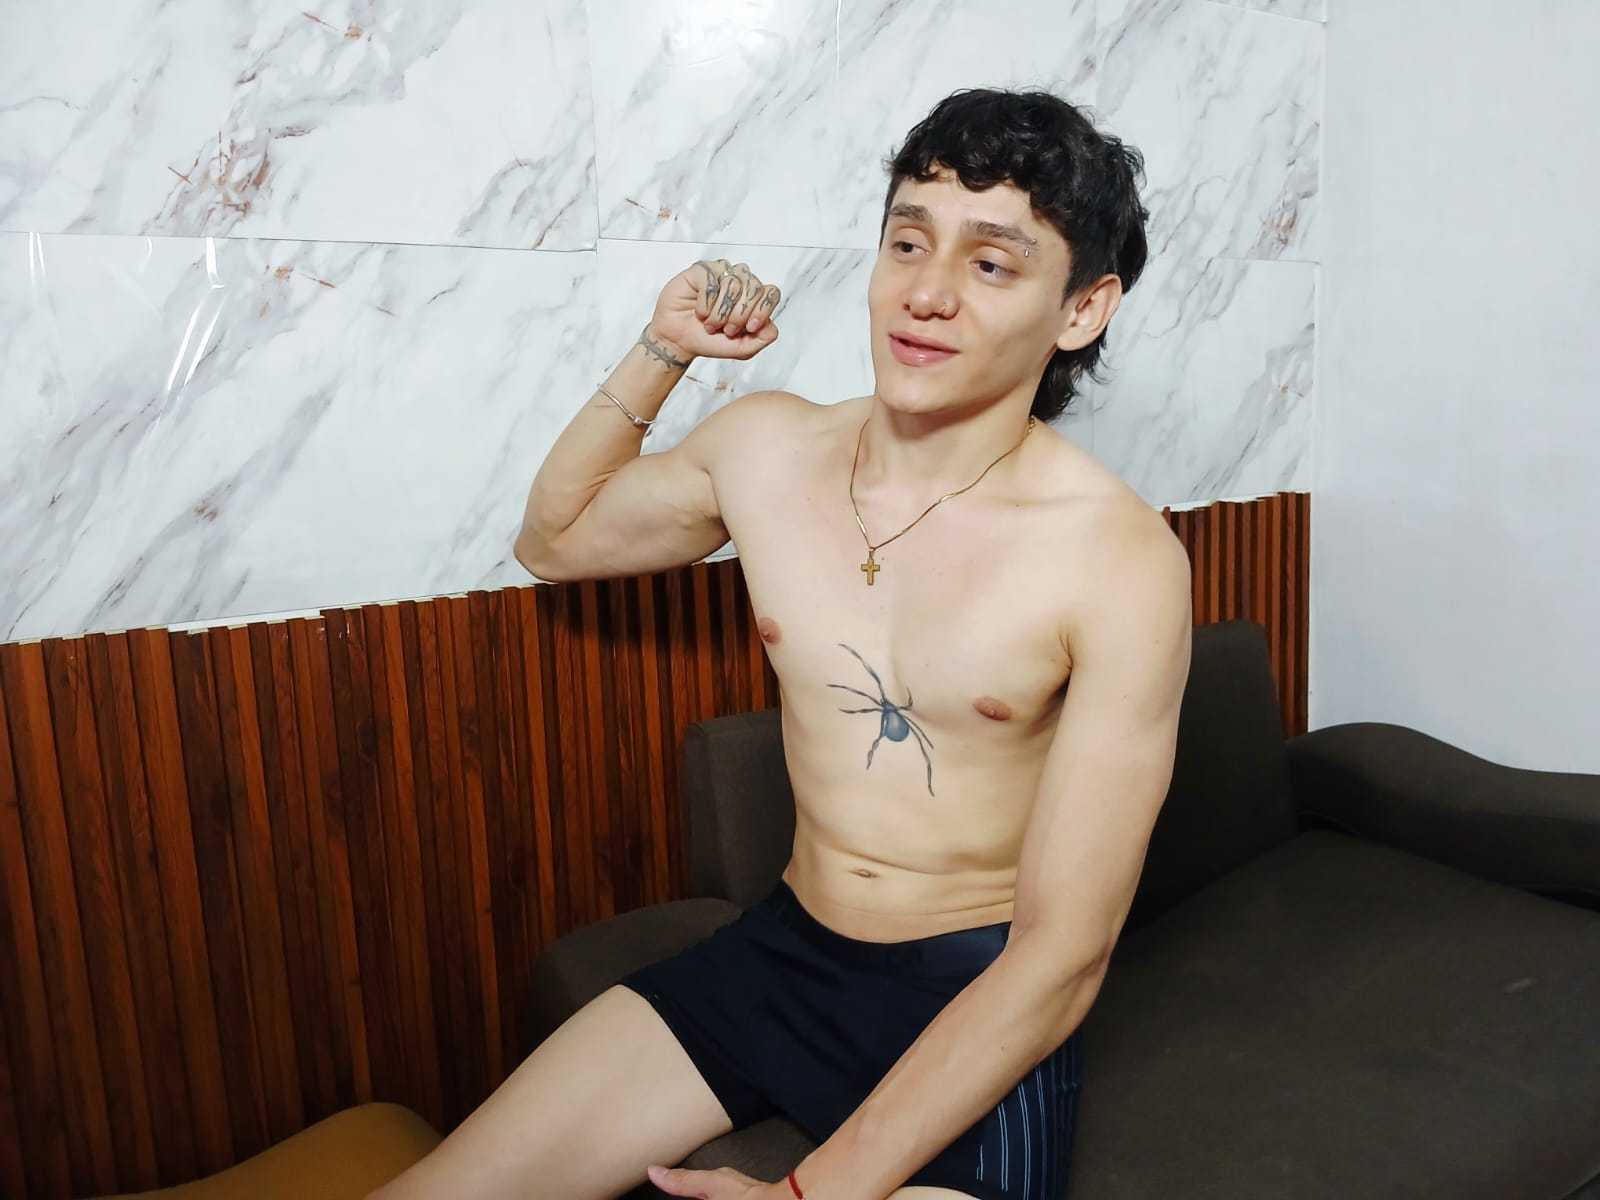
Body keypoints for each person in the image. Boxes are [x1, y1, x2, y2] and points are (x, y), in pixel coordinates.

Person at [373, 86, 1192, 1200]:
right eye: (908, 241)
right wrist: (662, 350)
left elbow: (1062, 958)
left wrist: (810, 1191)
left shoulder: (1118, 559)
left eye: (992, 264)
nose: (927, 292)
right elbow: (555, 541)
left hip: (977, 998)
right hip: (786, 950)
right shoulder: (768, 450)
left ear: (1081, 310)